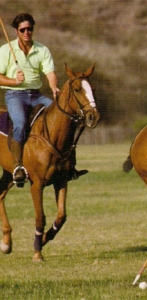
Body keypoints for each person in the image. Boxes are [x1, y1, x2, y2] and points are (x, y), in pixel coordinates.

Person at [0, 13, 87, 187]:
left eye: (29, 29)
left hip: (36, 94)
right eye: (23, 29)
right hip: (15, 94)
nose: (27, 32)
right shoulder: (5, 50)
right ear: (16, 31)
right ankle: (18, 167)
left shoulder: (42, 50)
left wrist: (54, 88)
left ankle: (70, 166)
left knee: (66, 116)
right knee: (20, 122)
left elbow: (50, 73)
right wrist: (14, 81)